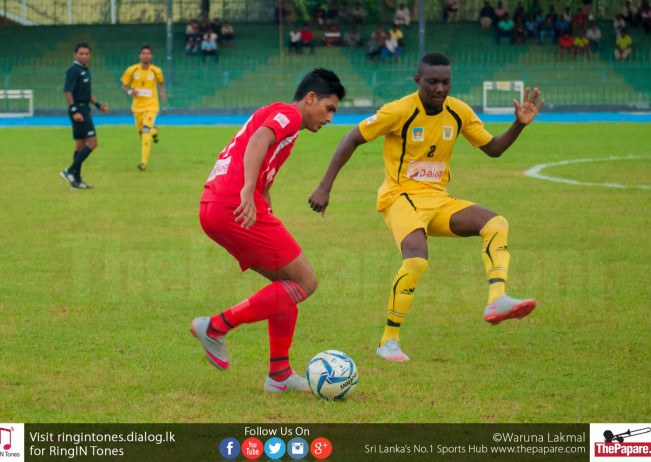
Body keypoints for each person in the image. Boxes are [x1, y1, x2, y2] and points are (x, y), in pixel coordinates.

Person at [308, 53, 542, 361]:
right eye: (432, 82)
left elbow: (493, 148)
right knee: (417, 260)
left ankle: (497, 298)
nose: (440, 89)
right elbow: (352, 138)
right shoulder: (399, 111)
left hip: (438, 199)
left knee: (497, 224)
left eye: (446, 82)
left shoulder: (458, 111)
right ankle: (389, 340)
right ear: (418, 81)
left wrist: (518, 125)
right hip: (399, 196)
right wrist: (325, 186)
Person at [192, 69, 346, 393]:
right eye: (329, 108)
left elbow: (264, 176)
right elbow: (259, 139)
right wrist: (247, 190)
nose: (330, 118)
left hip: (215, 205)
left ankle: (279, 375)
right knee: (306, 281)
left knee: (287, 284)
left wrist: (262, 201)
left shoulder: (288, 127)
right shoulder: (288, 113)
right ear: (311, 98)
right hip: (234, 202)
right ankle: (215, 328)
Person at [60, 42, 108, 190]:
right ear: (75, 55)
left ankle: (76, 181)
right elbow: (68, 91)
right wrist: (75, 111)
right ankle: (69, 171)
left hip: (85, 108)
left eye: (87, 54)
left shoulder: (86, 71)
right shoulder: (73, 70)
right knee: (92, 143)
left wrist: (98, 105)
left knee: (80, 145)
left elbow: (88, 93)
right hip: (79, 110)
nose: (84, 56)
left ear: (90, 55)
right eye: (81, 53)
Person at [120, 45, 167, 171]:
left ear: (151, 56)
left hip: (151, 105)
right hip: (137, 107)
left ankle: (143, 163)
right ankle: (154, 131)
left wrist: (163, 93)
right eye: (143, 53)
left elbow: (161, 83)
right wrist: (130, 92)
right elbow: (124, 86)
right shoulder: (132, 70)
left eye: (148, 53)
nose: (146, 55)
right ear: (139, 56)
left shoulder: (156, 70)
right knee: (143, 134)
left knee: (145, 130)